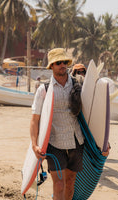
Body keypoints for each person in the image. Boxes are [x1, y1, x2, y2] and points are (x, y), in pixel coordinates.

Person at [30, 48, 85, 200]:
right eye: (58, 62)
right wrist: (35, 145)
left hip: (76, 140)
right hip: (54, 142)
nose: (62, 65)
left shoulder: (78, 85)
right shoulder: (44, 89)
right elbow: (35, 119)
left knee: (70, 182)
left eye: (64, 62)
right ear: (51, 66)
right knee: (59, 184)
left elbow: (92, 114)